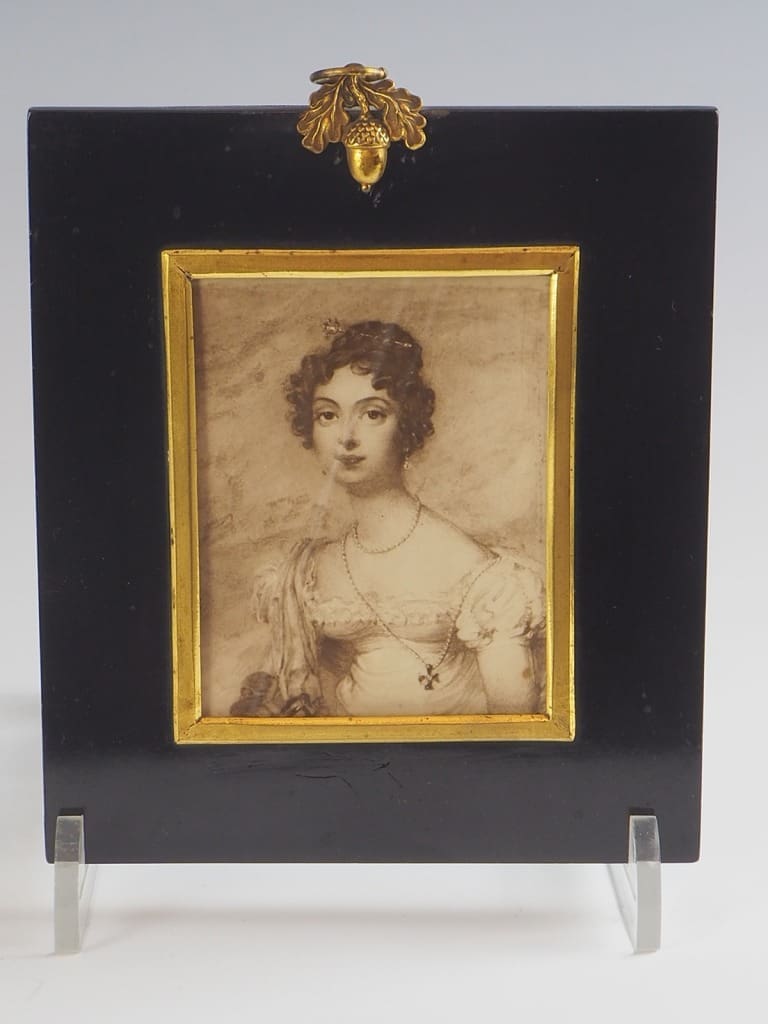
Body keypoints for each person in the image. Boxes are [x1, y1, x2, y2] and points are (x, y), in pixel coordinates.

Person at [232, 320, 545, 718]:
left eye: (372, 414)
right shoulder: (308, 571)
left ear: (407, 426)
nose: (347, 437)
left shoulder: (474, 569)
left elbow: (514, 724)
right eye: (327, 415)